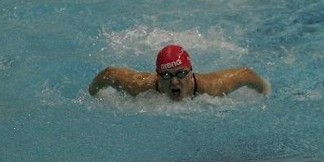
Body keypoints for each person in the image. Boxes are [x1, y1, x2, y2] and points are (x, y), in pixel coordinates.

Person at [88, 44, 270, 101]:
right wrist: (93, 95)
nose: (175, 81)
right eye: (167, 76)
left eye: (181, 73)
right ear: (158, 75)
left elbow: (246, 74)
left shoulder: (211, 88)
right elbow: (108, 74)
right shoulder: (141, 87)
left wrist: (265, 92)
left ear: (191, 72)